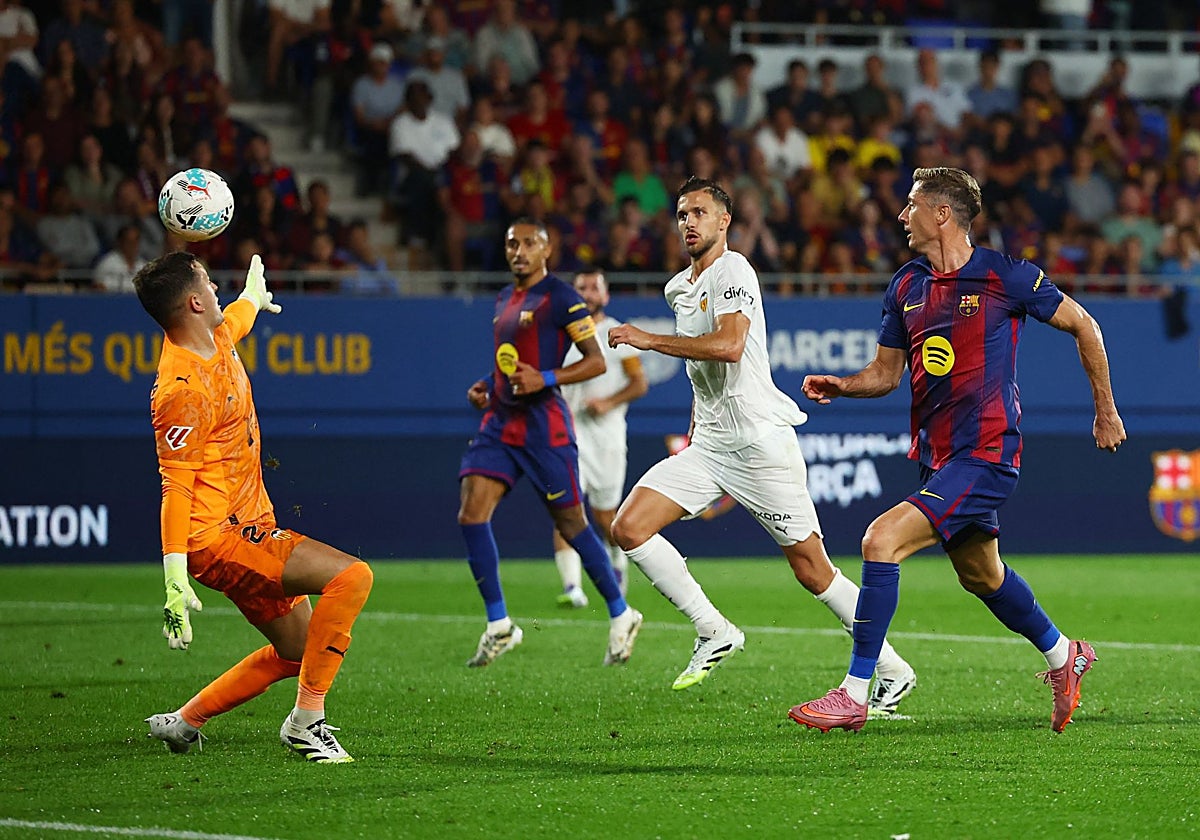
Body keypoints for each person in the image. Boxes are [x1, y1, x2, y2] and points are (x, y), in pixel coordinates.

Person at [788, 167, 1125, 735]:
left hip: (988, 454)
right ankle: (1065, 655)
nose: (902, 217)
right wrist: (845, 385)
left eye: (911, 205)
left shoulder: (1005, 276)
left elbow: (1085, 326)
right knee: (980, 574)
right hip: (939, 457)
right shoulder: (906, 285)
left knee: (881, 539)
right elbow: (885, 372)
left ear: (941, 213)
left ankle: (854, 693)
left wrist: (1106, 409)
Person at [607, 177, 916, 707]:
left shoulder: (735, 270)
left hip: (759, 444)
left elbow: (728, 346)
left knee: (811, 568)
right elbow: (700, 371)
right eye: (682, 214)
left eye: (699, 213)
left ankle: (892, 668)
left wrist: (647, 338)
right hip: (709, 445)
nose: (688, 223)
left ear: (724, 221)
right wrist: (696, 426)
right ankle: (713, 629)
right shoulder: (678, 288)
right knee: (628, 527)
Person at [136, 252, 373, 763]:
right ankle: (307, 723)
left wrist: (252, 300)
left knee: (300, 652)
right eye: (209, 283)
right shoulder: (180, 390)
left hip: (250, 524)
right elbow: (175, 487)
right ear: (195, 302)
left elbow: (235, 320)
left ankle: (185, 722)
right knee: (352, 578)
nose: (217, 290)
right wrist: (174, 575)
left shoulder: (212, 335)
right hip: (219, 539)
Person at [458, 219, 643, 668]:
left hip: (545, 427)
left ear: (547, 249)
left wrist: (543, 379)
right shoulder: (505, 299)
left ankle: (621, 613)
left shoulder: (562, 298)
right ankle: (499, 624)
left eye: (528, 243)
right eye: (510, 243)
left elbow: (597, 362)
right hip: (501, 421)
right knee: (471, 513)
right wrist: (487, 383)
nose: (518, 251)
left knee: (574, 525)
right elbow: (509, 363)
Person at [551, 268, 649, 608]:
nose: (588, 294)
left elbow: (639, 383)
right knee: (567, 509)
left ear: (605, 296)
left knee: (606, 517)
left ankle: (617, 561)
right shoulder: (562, 337)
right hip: (570, 437)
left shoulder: (616, 334)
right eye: (582, 288)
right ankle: (572, 588)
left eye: (594, 288)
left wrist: (607, 403)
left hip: (606, 437)